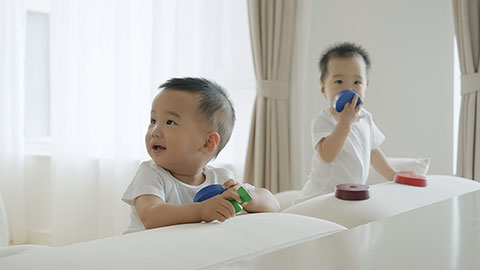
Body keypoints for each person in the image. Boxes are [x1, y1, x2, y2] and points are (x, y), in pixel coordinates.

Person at [122, 77, 279, 233]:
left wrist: (245, 197)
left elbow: (273, 204)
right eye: (153, 120)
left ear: (208, 143)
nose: (155, 131)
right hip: (142, 253)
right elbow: (151, 216)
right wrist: (200, 211)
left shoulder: (221, 179)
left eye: (170, 122)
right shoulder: (151, 173)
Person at [295, 42, 397, 203]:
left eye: (357, 83)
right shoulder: (323, 120)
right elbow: (328, 155)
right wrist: (345, 122)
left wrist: (393, 175)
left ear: (366, 88)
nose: (348, 89)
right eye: (339, 82)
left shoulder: (366, 118)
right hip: (320, 196)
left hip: (349, 196)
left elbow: (373, 151)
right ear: (323, 89)